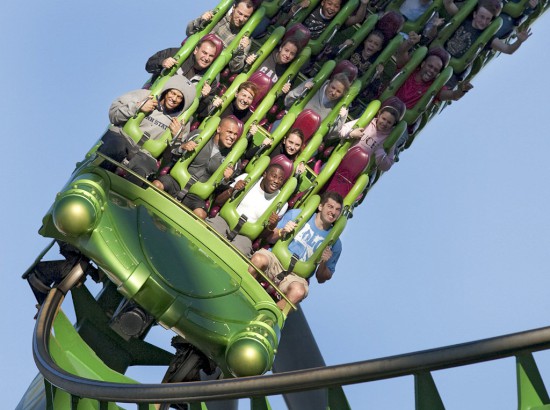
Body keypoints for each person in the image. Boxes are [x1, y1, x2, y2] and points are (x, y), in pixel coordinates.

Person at [248, 191, 344, 310]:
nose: (333, 212)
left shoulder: (335, 243)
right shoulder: (298, 215)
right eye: (330, 206)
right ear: (320, 206)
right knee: (258, 259)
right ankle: (243, 291)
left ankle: (268, 318)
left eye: (337, 209)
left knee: (298, 291)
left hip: (295, 276)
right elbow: (269, 237)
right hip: (276, 260)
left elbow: (322, 278)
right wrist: (281, 232)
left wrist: (324, 262)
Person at [98, 76, 196, 183]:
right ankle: (97, 178)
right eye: (172, 93)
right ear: (167, 90)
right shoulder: (144, 95)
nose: (174, 99)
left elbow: (168, 158)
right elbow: (113, 114)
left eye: (179, 97)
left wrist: (177, 138)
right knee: (113, 151)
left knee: (140, 173)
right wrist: (137, 107)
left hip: (146, 154)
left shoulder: (181, 122)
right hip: (122, 137)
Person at [152, 116, 241, 218]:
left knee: (201, 215)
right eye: (229, 132)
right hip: (176, 181)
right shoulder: (199, 135)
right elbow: (173, 153)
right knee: (157, 185)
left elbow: (219, 191)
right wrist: (183, 147)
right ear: (219, 129)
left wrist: (226, 179)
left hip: (196, 195)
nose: (232, 137)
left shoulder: (234, 159)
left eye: (235, 134)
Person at [206, 162, 290, 257]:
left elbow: (262, 236)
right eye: (274, 176)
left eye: (280, 179)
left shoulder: (281, 203)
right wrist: (233, 190)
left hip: (245, 236)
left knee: (235, 254)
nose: (276, 181)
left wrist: (271, 226)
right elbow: (218, 202)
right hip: (225, 221)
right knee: (209, 233)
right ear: (265, 174)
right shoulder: (247, 178)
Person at [393, 37, 473, 110]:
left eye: (436, 70)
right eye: (430, 66)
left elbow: (453, 95)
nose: (431, 71)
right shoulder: (410, 69)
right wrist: (409, 42)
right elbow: (401, 53)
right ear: (423, 64)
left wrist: (462, 90)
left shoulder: (434, 87)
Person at [332, 100, 405, 172]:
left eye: (389, 122)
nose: (384, 123)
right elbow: (341, 131)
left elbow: (386, 167)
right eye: (383, 119)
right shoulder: (367, 122)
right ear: (379, 115)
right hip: (343, 158)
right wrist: (351, 133)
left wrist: (380, 152)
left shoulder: (389, 138)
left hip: (358, 171)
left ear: (393, 124)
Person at [443, 0, 532, 59]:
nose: (483, 22)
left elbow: (508, 49)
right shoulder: (464, 19)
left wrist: (519, 41)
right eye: (482, 17)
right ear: (474, 14)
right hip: (440, 53)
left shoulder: (487, 37)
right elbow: (448, 4)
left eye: (487, 19)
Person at [186, 0, 257, 72]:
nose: (241, 19)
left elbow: (235, 68)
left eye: (246, 16)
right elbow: (189, 32)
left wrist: (240, 50)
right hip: (192, 58)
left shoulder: (244, 38)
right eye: (240, 13)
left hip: (210, 70)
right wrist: (201, 20)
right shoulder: (217, 16)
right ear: (233, 8)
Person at [144, 35, 221, 95]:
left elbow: (202, 113)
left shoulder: (210, 80)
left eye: (211, 56)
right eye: (204, 53)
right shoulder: (175, 54)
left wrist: (205, 98)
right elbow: (148, 65)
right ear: (196, 50)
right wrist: (162, 62)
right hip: (155, 94)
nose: (207, 58)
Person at [282, 72, 350, 134]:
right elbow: (287, 102)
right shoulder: (314, 84)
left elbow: (331, 134)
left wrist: (342, 118)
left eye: (338, 91)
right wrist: (303, 89)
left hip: (309, 137)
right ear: (329, 83)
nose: (333, 92)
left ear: (342, 94)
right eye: (333, 87)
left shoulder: (341, 106)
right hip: (290, 122)